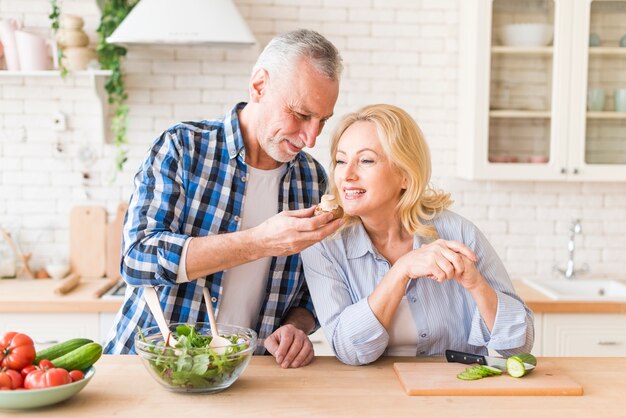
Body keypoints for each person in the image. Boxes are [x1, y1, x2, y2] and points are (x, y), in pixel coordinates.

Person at [104, 29, 344, 369]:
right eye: (302, 114)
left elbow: (311, 291)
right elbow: (137, 259)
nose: (311, 137)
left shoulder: (311, 179)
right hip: (147, 369)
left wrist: (296, 328)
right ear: (259, 86)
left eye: (322, 121)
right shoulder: (183, 147)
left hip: (243, 377)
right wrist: (258, 242)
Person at [301, 104, 534, 366]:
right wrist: (400, 271)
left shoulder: (458, 233)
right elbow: (349, 350)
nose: (347, 175)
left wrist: (477, 285)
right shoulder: (323, 245)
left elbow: (519, 347)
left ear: (405, 175)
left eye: (366, 160)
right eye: (341, 161)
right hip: (371, 398)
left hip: (457, 392)